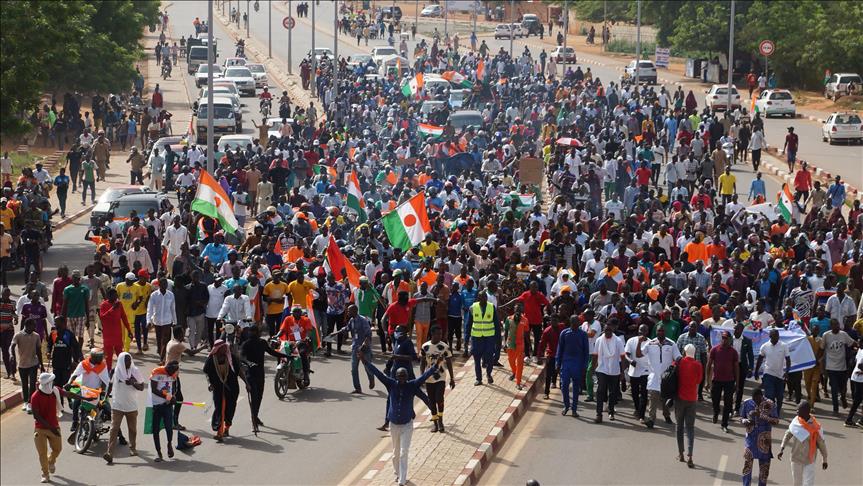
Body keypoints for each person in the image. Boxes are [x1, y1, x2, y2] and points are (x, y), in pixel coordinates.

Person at [361, 350, 442, 486]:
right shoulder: (391, 384)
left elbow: (424, 376)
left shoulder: (412, 385)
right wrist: (365, 361)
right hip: (393, 425)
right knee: (395, 453)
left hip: (407, 425)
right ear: (397, 377)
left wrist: (436, 365)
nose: (402, 379)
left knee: (404, 453)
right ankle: (397, 474)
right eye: (400, 377)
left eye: (404, 377)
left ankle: (402, 480)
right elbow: (378, 373)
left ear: (407, 377)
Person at [239, 323, 285, 427]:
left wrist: (285, 356)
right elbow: (241, 356)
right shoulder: (246, 344)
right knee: (254, 397)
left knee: (259, 397)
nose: (253, 334)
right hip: (250, 375)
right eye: (251, 332)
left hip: (260, 374)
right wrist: (249, 363)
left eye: (255, 332)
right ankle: (254, 418)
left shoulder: (262, 343)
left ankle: (255, 416)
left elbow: (272, 352)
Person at [104, 352, 144, 464]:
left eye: (130, 360)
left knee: (132, 429)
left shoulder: (135, 371)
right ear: (121, 361)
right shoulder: (114, 371)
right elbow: (110, 385)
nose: (129, 362)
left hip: (131, 406)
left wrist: (133, 382)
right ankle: (109, 453)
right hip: (117, 405)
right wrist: (105, 397)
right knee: (114, 429)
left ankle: (133, 448)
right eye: (126, 361)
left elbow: (141, 387)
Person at [778, 401, 828, 486]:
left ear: (806, 412)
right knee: (797, 483)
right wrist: (782, 448)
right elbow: (788, 434)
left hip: (809, 459)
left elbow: (821, 444)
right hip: (796, 458)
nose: (797, 411)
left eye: (799, 410)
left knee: (808, 483)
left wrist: (825, 459)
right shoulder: (795, 422)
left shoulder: (815, 426)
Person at [64, 348, 110, 440]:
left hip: (97, 391)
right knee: (76, 403)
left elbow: (105, 380)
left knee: (107, 408)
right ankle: (75, 421)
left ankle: (118, 433)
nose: (101, 359)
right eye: (99, 357)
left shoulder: (103, 366)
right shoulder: (83, 364)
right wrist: (69, 383)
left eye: (102, 357)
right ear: (93, 357)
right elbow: (75, 375)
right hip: (85, 390)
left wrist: (103, 391)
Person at [203, 340, 245, 441]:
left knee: (230, 409)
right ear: (217, 349)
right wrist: (209, 383)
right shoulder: (211, 360)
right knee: (219, 409)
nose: (226, 348)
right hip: (218, 388)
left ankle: (227, 428)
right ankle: (219, 432)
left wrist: (246, 383)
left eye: (226, 347)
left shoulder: (231, 358)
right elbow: (207, 373)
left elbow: (239, 371)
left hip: (232, 388)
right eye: (223, 347)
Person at [419, 325, 455, 432]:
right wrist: (422, 377)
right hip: (429, 378)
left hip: (441, 377)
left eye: (441, 334)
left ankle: (440, 421)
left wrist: (452, 378)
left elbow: (449, 362)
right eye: (438, 334)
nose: (440, 336)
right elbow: (422, 362)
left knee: (439, 398)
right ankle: (435, 423)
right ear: (432, 334)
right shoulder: (425, 346)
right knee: (432, 401)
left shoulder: (444, 347)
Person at [740, 387, 779, 486]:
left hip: (764, 440)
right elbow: (741, 418)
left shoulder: (770, 404)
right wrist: (746, 421)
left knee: (764, 468)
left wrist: (761, 415)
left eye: (757, 399)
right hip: (750, 439)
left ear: (761, 397)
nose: (755, 402)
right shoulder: (747, 403)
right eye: (754, 399)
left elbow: (776, 421)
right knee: (747, 465)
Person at [31, 373, 64, 483]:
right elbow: (37, 416)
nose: (53, 383)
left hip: (54, 426)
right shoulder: (35, 397)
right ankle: (45, 474)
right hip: (40, 429)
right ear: (47, 384)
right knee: (42, 453)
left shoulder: (54, 390)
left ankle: (51, 461)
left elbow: (68, 393)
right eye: (52, 382)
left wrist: (86, 398)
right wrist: (51, 428)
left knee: (58, 449)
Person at [591, 320, 626, 423]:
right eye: (606, 330)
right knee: (600, 391)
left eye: (609, 330)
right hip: (602, 369)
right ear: (603, 330)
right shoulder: (599, 340)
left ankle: (611, 411)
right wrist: (593, 368)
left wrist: (622, 372)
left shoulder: (618, 341)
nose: (607, 332)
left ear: (613, 330)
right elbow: (595, 355)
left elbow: (623, 357)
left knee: (612, 392)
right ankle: (599, 414)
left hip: (614, 370)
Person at [556, 315, 590, 417]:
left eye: (577, 321)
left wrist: (584, 366)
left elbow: (586, 351)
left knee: (576, 388)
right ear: (570, 322)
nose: (576, 323)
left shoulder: (583, 334)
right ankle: (566, 405)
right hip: (566, 364)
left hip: (578, 365)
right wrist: (558, 363)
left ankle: (574, 409)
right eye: (574, 321)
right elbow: (560, 349)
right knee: (564, 385)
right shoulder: (564, 333)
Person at [706, 330, 740, 432]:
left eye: (726, 338)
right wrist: (707, 381)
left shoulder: (733, 352)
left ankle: (724, 424)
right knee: (715, 399)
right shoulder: (715, 349)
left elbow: (736, 368)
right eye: (723, 338)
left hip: (729, 381)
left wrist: (737, 384)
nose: (724, 340)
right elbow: (709, 365)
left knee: (728, 403)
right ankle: (716, 412)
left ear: (730, 340)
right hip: (716, 380)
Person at [676, 343, 703, 468]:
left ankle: (681, 454)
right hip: (692, 399)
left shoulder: (679, 362)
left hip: (680, 399)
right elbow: (698, 381)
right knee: (690, 428)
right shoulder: (698, 365)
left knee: (679, 427)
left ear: (684, 352)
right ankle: (690, 456)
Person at [466, 291, 500, 386]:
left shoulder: (491, 307)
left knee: (489, 358)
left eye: (485, 296)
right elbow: (468, 324)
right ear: (478, 298)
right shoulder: (473, 308)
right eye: (481, 297)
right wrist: (466, 339)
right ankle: (478, 379)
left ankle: (489, 374)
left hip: (489, 338)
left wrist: (498, 339)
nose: (484, 298)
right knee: (476, 358)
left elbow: (496, 324)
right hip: (476, 338)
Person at [755, 329, 791, 417]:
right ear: (770, 336)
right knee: (769, 395)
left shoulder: (784, 346)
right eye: (774, 336)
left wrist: (787, 371)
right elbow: (760, 359)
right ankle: (769, 413)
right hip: (768, 374)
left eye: (777, 336)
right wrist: (756, 371)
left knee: (779, 396)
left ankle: (777, 412)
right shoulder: (765, 346)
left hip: (780, 375)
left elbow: (788, 360)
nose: (776, 337)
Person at [148, 360, 178, 461]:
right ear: (167, 368)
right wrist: (166, 396)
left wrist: (173, 397)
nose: (173, 375)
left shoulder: (173, 374)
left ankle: (169, 443)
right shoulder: (157, 372)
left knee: (169, 428)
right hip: (157, 406)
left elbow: (174, 388)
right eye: (171, 373)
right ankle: (158, 452)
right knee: (155, 430)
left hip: (167, 406)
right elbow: (154, 389)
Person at [12, 318, 44, 413]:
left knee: (33, 383)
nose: (35, 327)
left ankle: (31, 402)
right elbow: (12, 346)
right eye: (33, 325)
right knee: (24, 384)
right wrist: (12, 356)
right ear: (27, 325)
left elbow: (39, 351)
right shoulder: (18, 335)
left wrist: (41, 364)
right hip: (22, 364)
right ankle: (25, 402)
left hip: (33, 363)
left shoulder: (36, 336)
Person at [503, 303, 529, 389]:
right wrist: (504, 344)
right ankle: (514, 372)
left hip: (520, 346)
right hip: (510, 344)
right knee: (511, 361)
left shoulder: (525, 320)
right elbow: (506, 332)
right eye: (516, 309)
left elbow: (526, 333)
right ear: (514, 310)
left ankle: (518, 382)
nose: (518, 310)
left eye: (520, 309)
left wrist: (528, 347)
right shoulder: (508, 319)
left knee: (520, 365)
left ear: (522, 310)